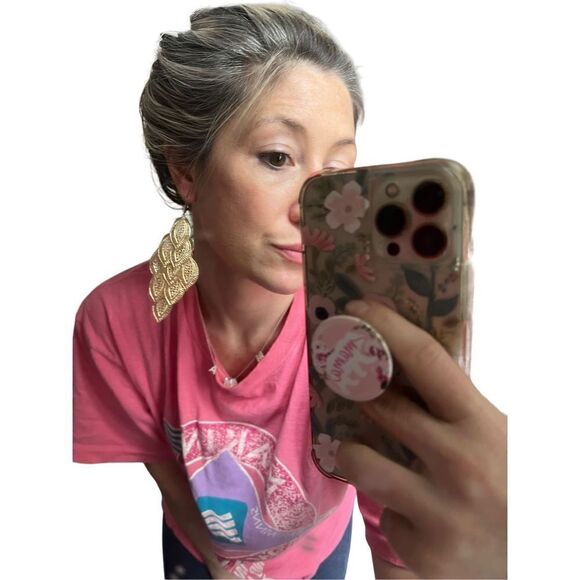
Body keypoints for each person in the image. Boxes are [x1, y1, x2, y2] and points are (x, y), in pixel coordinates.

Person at [73, 3, 506, 579]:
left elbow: (391, 513)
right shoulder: (114, 320)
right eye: (278, 157)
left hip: (319, 551)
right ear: (187, 171)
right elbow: (156, 454)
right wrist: (216, 559)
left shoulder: (361, 330)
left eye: (336, 172)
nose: (315, 207)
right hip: (193, 551)